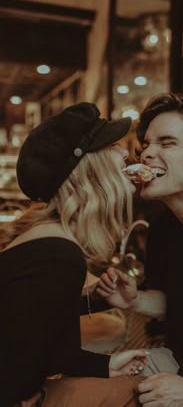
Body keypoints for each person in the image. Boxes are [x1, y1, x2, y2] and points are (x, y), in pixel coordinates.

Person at [0, 102, 148, 407]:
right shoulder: (58, 255)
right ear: (90, 169)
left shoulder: (49, 239)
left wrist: (105, 363)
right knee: (145, 395)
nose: (126, 153)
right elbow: (18, 373)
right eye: (113, 145)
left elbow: (33, 331)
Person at [97, 93, 183, 406]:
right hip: (180, 366)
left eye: (167, 143)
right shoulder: (163, 227)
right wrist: (136, 300)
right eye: (146, 144)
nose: (147, 154)